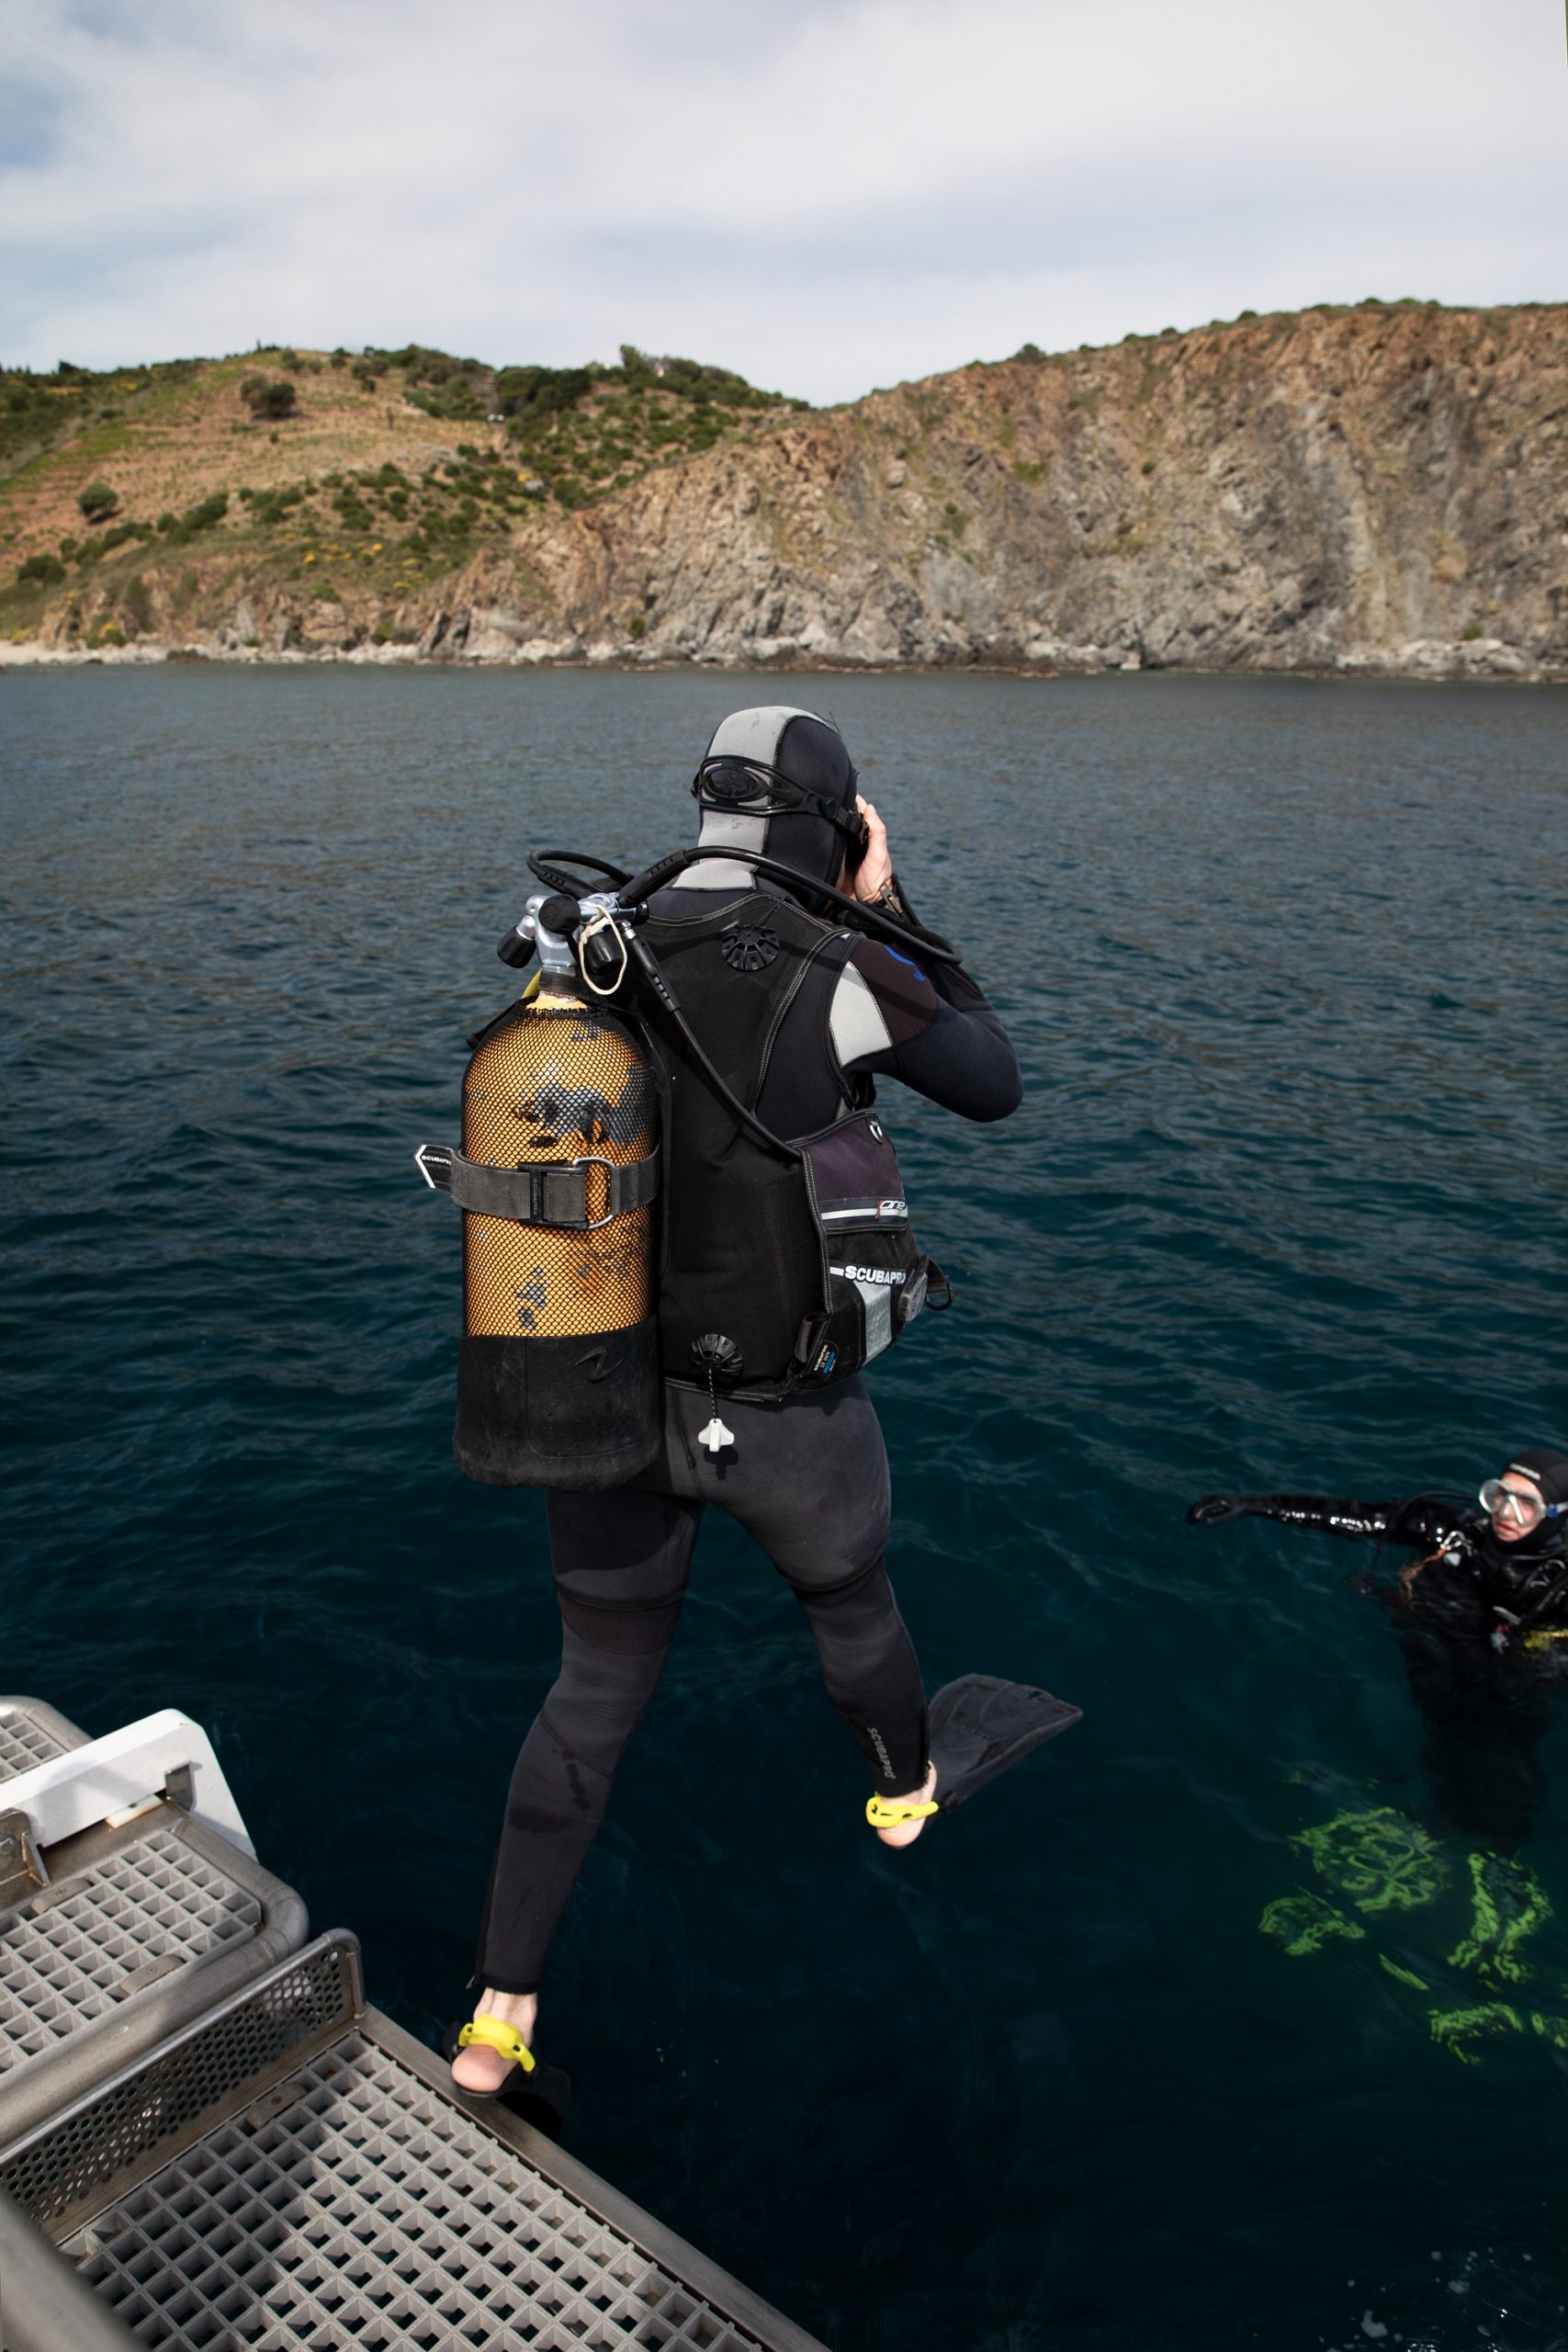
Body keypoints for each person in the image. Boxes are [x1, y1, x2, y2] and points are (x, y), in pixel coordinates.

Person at [451, 706, 1028, 2098]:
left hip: (604, 1396)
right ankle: (900, 1795)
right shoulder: (843, 962)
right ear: (835, 825)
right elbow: (991, 1080)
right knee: (855, 1613)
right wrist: (895, 906)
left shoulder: (595, 944)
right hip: (786, 1420)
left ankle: (496, 2014)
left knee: (588, 1695)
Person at [1187, 1446, 1568, 1844]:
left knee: (1490, 1764)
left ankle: (1496, 1847)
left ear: (1558, 1514)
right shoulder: (1458, 1532)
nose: (1506, 1513)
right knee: (1432, 1745)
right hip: (1426, 1659)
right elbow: (1361, 1517)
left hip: (1495, 1697)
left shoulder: (1558, 1587)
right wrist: (1259, 1505)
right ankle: (1421, 1810)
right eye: (1500, 1495)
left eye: (1528, 1505)